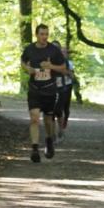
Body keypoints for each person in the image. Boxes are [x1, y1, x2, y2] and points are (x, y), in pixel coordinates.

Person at [21, 25, 69, 163]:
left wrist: (51, 66)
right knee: (34, 118)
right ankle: (35, 149)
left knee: (48, 120)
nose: (44, 37)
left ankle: (49, 141)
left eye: (46, 34)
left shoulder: (54, 51)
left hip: (49, 89)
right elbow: (23, 62)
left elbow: (63, 68)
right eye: (42, 34)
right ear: (36, 35)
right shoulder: (29, 49)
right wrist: (28, 69)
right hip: (34, 89)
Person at [56, 44, 76, 135]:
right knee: (58, 107)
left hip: (67, 86)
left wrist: (66, 72)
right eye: (62, 52)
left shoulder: (69, 63)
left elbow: (72, 76)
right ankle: (59, 127)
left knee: (66, 107)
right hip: (58, 86)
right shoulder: (56, 61)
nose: (63, 53)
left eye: (65, 52)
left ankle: (65, 121)